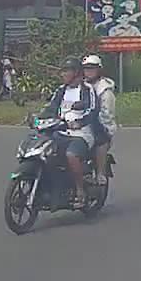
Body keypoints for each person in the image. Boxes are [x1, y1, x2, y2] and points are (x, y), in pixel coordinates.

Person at [40, 58, 97, 208]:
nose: (63, 74)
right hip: (60, 131)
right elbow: (50, 108)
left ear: (76, 73)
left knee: (71, 155)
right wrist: (38, 118)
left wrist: (79, 122)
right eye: (63, 71)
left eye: (67, 71)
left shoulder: (87, 89)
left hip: (81, 134)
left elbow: (92, 110)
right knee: (44, 153)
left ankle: (80, 190)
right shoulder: (61, 90)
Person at [81, 54, 116, 182]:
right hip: (78, 122)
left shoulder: (105, 90)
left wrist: (94, 123)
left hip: (100, 125)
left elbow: (107, 114)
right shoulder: (80, 85)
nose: (89, 71)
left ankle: (100, 173)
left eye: (92, 68)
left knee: (100, 140)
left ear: (99, 70)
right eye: (86, 68)